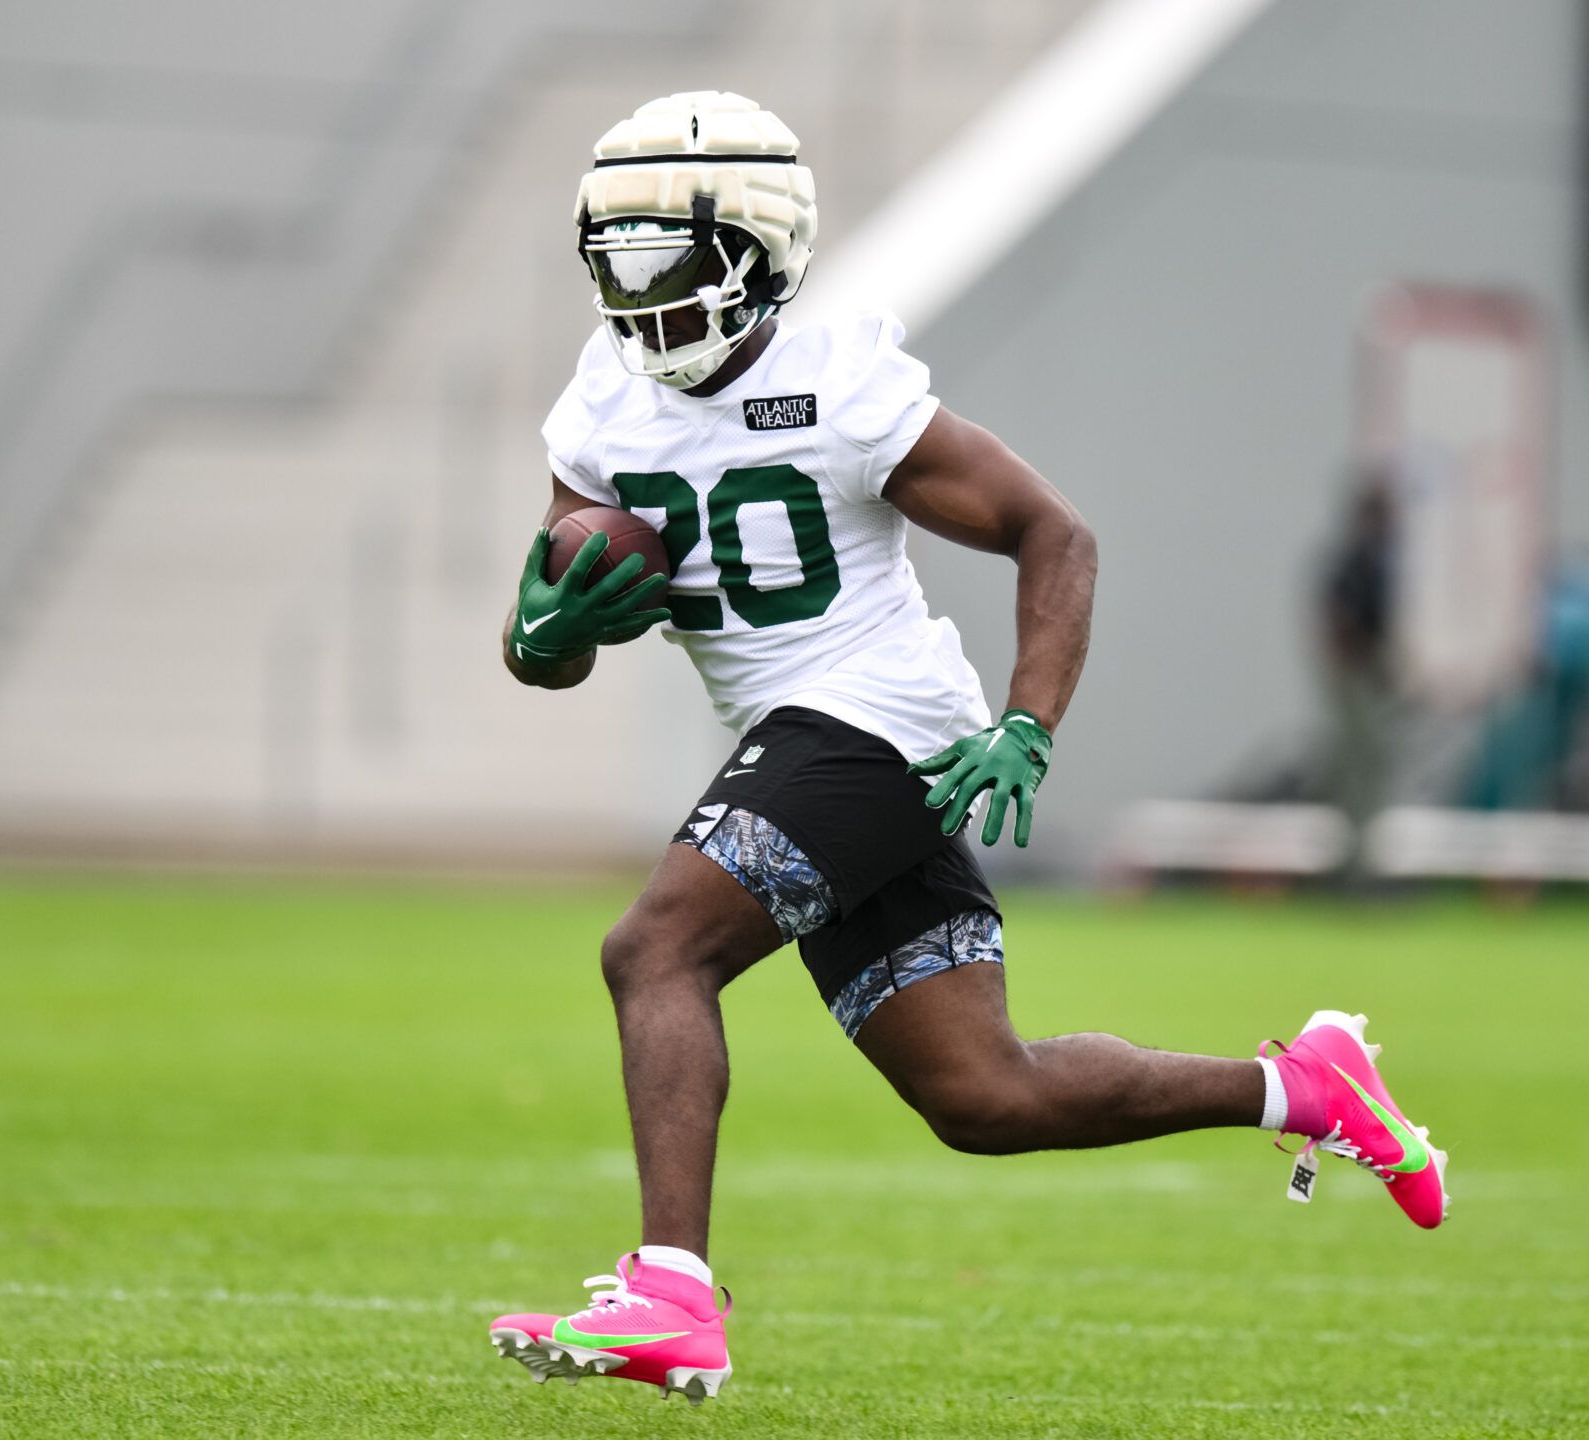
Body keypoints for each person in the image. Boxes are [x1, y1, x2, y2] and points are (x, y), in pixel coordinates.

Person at [489, 92, 1448, 1406]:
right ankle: (1305, 1086)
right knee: (986, 1098)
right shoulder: (603, 396)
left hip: (882, 720)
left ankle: (671, 1295)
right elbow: (551, 620)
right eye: (619, 259)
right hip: (810, 743)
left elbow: (1054, 532)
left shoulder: (834, 378)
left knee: (655, 947)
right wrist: (541, 635)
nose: (639, 293)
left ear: (757, 253)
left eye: (669, 258)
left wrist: (1026, 723)